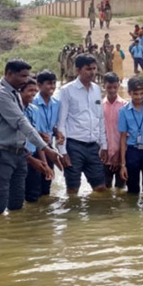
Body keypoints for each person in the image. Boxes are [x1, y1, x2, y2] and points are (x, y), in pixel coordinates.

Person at [0, 58, 62, 216]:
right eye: (22, 76)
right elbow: (20, 122)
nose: (26, 80)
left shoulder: (14, 94)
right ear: (9, 73)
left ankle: (14, 236)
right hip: (0, 153)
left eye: (27, 76)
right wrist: (46, 149)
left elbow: (24, 127)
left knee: (17, 201)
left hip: (19, 153)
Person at [56, 54, 108, 194]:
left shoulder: (97, 89)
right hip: (74, 147)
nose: (92, 72)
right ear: (78, 70)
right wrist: (63, 151)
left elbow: (100, 118)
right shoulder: (67, 90)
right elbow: (61, 122)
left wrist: (104, 145)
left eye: (94, 68)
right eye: (88, 69)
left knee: (100, 189)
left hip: (93, 147)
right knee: (73, 190)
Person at [118, 77, 143, 194]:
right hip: (132, 152)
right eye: (135, 94)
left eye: (142, 93)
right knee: (132, 189)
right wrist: (123, 164)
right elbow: (123, 137)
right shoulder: (124, 111)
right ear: (129, 93)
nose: (139, 97)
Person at [31, 70, 64, 198]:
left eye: (54, 83)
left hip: (48, 148)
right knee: (34, 186)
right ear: (39, 85)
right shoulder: (32, 102)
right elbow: (29, 127)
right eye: (49, 84)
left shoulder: (56, 103)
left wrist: (58, 133)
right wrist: (40, 134)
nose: (52, 87)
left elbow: (53, 126)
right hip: (34, 148)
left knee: (46, 186)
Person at [21, 78, 54, 202]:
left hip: (34, 154)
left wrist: (44, 163)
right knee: (19, 194)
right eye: (30, 90)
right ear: (20, 91)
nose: (33, 94)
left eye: (35, 90)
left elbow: (38, 140)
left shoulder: (34, 110)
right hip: (20, 155)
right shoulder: (15, 111)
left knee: (35, 195)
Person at [102, 72, 127, 189]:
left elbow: (127, 134)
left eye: (114, 87)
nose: (112, 90)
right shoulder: (99, 106)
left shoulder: (125, 106)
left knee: (120, 190)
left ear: (119, 85)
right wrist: (103, 150)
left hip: (121, 156)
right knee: (103, 190)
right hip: (103, 156)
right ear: (104, 86)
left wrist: (120, 155)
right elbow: (97, 131)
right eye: (109, 87)